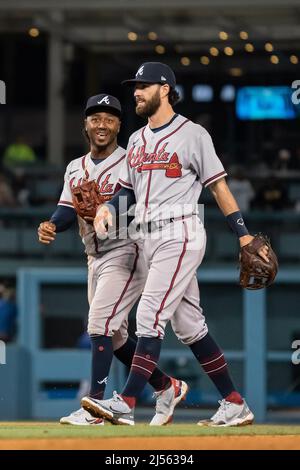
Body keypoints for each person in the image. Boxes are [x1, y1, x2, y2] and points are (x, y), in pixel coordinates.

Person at [82, 62, 269, 427]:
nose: (136, 92)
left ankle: (127, 400)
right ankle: (234, 403)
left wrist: (243, 234)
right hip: (147, 236)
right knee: (190, 326)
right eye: (134, 86)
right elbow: (127, 190)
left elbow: (218, 186)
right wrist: (107, 207)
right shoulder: (136, 139)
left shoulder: (192, 134)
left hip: (180, 231)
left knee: (149, 315)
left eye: (143, 86)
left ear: (165, 88)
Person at [38, 94, 187, 426]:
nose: (101, 124)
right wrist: (51, 223)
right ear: (86, 125)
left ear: (119, 124)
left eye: (109, 118)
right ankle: (166, 386)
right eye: (95, 118)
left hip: (127, 249)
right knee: (115, 336)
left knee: (98, 325)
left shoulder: (130, 160)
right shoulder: (75, 167)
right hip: (94, 255)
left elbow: (140, 200)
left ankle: (97, 407)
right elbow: (66, 209)